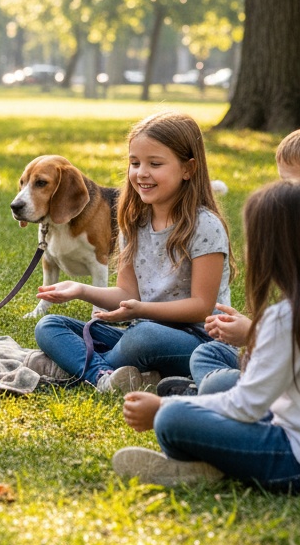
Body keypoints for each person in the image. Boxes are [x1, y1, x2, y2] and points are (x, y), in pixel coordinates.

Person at [114, 178, 300, 491]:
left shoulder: (289, 318)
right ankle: (210, 448)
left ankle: (204, 465)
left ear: (272, 252)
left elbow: (245, 406)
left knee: (173, 422)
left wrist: (164, 408)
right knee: (212, 359)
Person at [159, 118, 300, 397]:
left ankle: (213, 394)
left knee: (219, 382)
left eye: (288, 183)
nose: (280, 191)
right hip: (293, 362)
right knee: (208, 353)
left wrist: (253, 332)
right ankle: (215, 392)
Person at [30, 111, 231, 393]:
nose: (141, 173)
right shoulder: (133, 223)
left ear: (188, 169)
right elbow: (127, 295)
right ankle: (106, 377)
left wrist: (140, 311)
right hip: (140, 329)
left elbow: (201, 306)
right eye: (134, 163)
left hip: (198, 342)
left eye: (155, 163)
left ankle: (76, 367)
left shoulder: (205, 226)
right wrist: (80, 289)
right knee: (50, 326)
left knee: (144, 337)